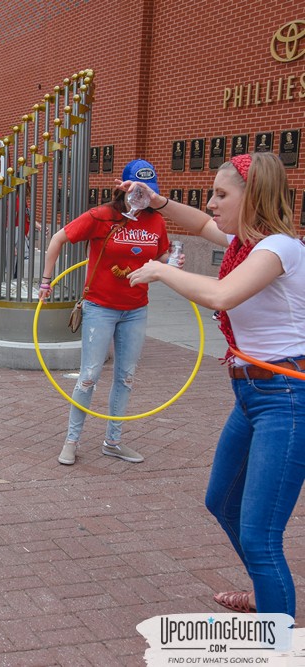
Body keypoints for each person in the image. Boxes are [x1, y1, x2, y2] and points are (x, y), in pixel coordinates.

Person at [128, 152, 305, 618]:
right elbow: (196, 223)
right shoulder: (244, 244)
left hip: (286, 398)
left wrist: (161, 269)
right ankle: (269, 595)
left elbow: (222, 294)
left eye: (222, 195)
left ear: (256, 198)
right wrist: (155, 200)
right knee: (222, 501)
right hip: (252, 395)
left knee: (260, 535)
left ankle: (277, 639)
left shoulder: (279, 248)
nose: (210, 203)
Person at [39, 159, 171, 466]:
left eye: (149, 192)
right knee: (88, 376)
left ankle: (113, 441)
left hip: (136, 309)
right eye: (138, 190)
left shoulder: (157, 221)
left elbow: (161, 255)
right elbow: (58, 238)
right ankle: (71, 441)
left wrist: (171, 262)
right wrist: (46, 281)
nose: (144, 198)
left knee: (125, 378)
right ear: (123, 188)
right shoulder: (102, 216)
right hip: (100, 308)